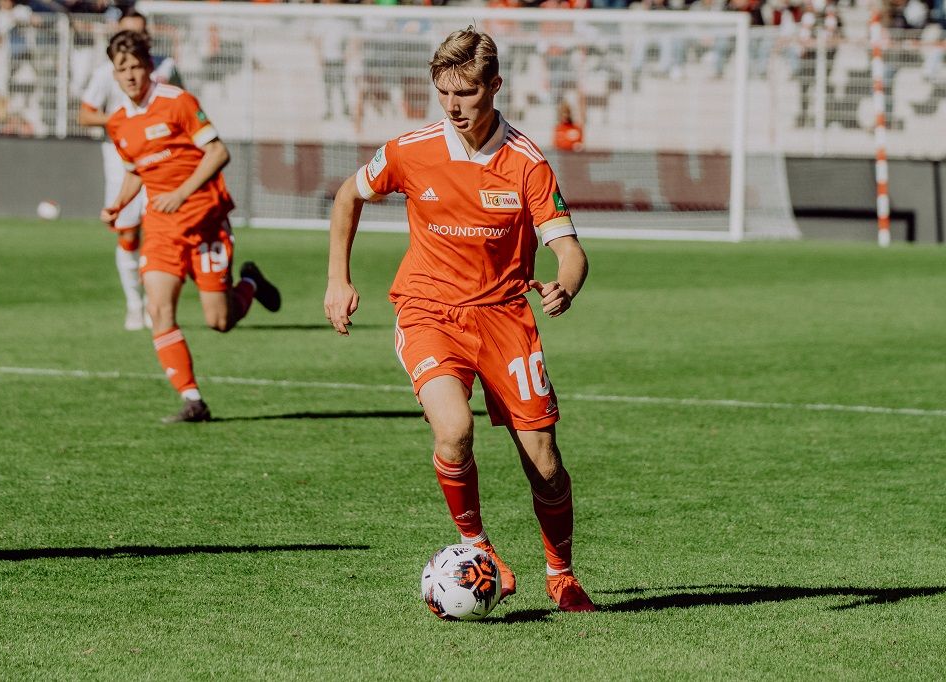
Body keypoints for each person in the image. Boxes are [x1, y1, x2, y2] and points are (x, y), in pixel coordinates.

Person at [324, 28, 594, 612]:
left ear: (494, 86)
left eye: (466, 92)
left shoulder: (526, 163)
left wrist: (564, 286)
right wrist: (338, 279)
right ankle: (477, 546)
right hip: (428, 311)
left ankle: (561, 573)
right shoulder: (410, 150)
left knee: (544, 463)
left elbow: (569, 251)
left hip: (504, 318)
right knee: (453, 431)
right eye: (443, 91)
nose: (453, 104)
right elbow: (348, 195)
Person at [101, 30, 280, 423]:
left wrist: (181, 193)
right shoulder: (117, 123)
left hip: (206, 220)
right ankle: (192, 400)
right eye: (122, 69)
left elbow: (218, 152)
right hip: (163, 227)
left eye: (136, 66)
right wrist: (117, 205)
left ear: (149, 67)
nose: (130, 75)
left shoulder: (177, 101)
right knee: (158, 309)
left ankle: (250, 283)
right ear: (113, 74)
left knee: (220, 321)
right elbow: (137, 171)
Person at [79, 9, 182, 331]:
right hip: (121, 163)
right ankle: (134, 305)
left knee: (161, 233)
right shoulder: (105, 73)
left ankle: (156, 304)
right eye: (127, 33)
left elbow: (181, 102)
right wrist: (126, 125)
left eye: (139, 33)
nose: (133, 39)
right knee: (127, 232)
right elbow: (86, 115)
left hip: (163, 162)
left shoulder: (166, 67)